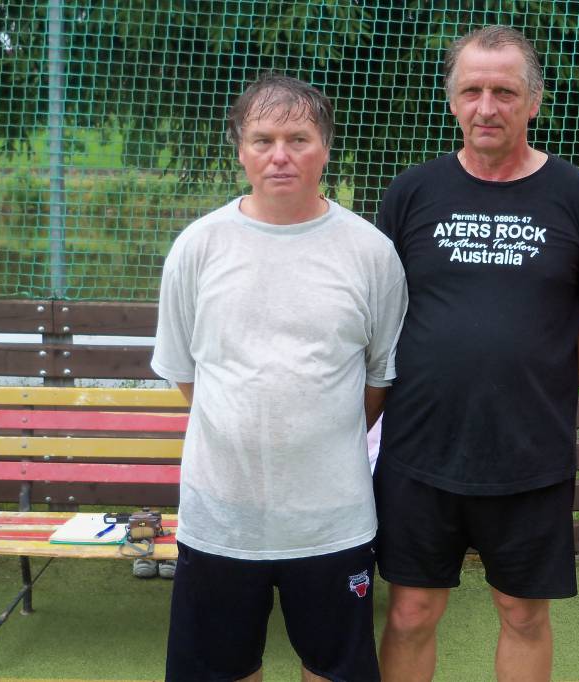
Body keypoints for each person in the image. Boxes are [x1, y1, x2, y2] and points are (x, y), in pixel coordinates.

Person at [374, 25, 579, 682]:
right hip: (420, 449)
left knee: (523, 613)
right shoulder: (411, 193)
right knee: (411, 613)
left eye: (504, 92)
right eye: (472, 91)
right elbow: (381, 316)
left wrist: (523, 378)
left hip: (529, 453)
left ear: (533, 101)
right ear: (452, 100)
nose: (487, 107)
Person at [151, 74, 407, 682]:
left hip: (331, 520)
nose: (280, 155)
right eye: (263, 140)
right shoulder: (198, 248)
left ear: (325, 148)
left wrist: (313, 434)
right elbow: (186, 374)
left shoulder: (371, 253)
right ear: (241, 150)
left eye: (299, 139)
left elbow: (379, 378)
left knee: (335, 669)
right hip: (221, 519)